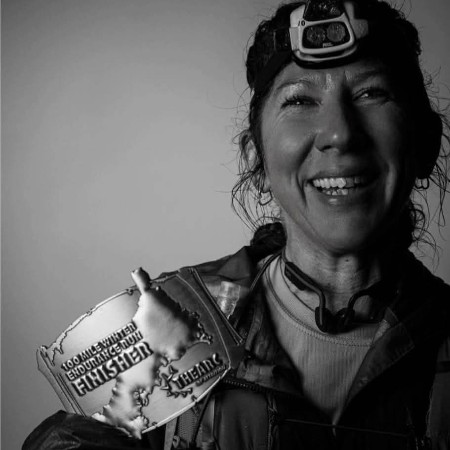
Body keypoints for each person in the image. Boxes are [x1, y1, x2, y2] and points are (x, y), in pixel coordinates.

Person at [23, 0, 450, 449]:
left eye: (371, 94)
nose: (340, 134)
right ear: (255, 158)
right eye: (300, 100)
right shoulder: (174, 317)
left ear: (426, 143)